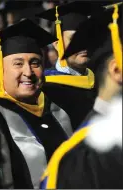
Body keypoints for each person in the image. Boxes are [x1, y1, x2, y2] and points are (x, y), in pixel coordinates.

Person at [40, 3, 123, 189]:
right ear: (57, 44)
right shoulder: (47, 88)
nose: (84, 45)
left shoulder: (97, 80)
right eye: (75, 38)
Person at [0, 18, 73, 189]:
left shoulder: (62, 106)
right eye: (18, 64)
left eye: (35, 63)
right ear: (0, 72)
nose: (28, 72)